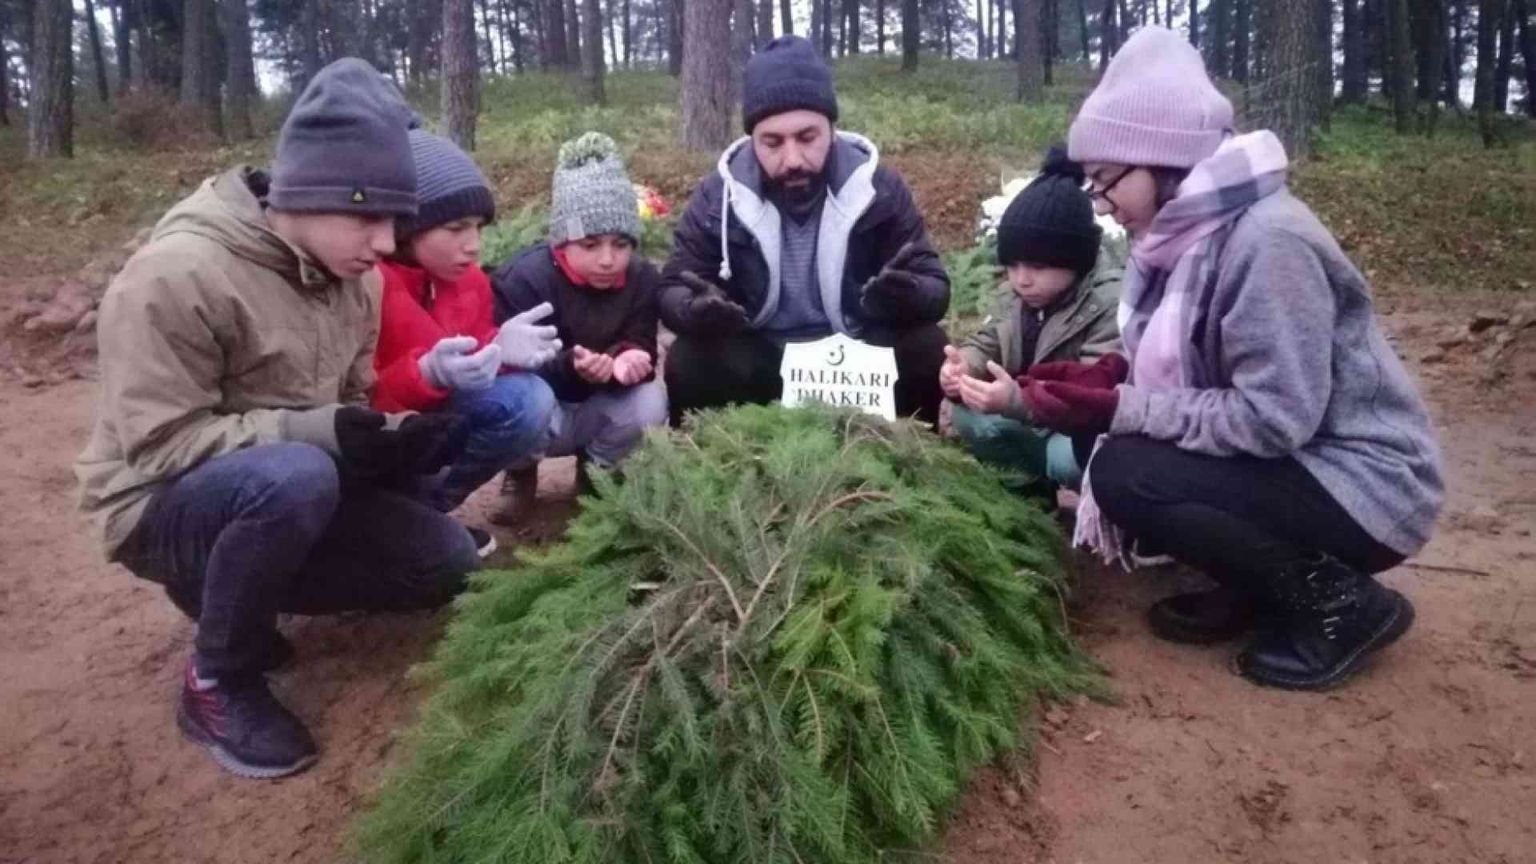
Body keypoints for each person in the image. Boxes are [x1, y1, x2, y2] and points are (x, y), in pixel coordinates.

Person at [75, 59, 479, 779]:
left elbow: (345, 408)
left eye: (395, 221)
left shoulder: (354, 282)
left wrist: (388, 443)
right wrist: (315, 437)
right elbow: (158, 445)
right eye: (368, 216)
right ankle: (216, 681)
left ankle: (223, 593)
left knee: (443, 559)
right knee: (293, 478)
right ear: (307, 193)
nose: (387, 243)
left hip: (280, 482)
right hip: (156, 505)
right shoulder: (177, 275)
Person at [1024, 27, 1443, 690]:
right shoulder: (1180, 235)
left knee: (1130, 472)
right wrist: (1105, 378)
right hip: (1300, 465)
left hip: (1364, 485)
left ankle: (1339, 604)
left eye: (1106, 184)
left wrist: (1123, 406)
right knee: (1112, 446)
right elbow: (1186, 363)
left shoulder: (1267, 243)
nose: (1103, 207)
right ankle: (1256, 588)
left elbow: (1276, 418)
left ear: (1160, 159)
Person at [660, 35, 950, 427]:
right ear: (752, 139)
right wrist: (693, 311)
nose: (792, 159)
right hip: (763, 355)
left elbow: (935, 286)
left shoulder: (878, 188)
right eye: (773, 143)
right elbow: (672, 288)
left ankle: (913, 466)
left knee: (926, 346)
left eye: (807, 137)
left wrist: (909, 295)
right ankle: (713, 470)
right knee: (690, 360)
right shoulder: (718, 196)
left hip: (855, 354)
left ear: (831, 127)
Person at [371, 127, 559, 518]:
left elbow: (472, 354)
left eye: (477, 227)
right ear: (406, 228)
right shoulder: (367, 284)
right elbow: (352, 401)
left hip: (434, 417)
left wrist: (499, 349)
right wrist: (426, 375)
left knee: (529, 399)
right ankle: (382, 522)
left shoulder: (468, 279)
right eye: (455, 228)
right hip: (377, 431)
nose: (473, 245)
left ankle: (426, 514)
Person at [489, 133, 668, 522]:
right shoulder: (523, 279)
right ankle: (520, 473)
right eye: (590, 245)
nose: (608, 260)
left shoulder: (642, 279)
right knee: (515, 399)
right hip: (544, 404)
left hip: (600, 400)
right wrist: (571, 365)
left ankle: (597, 472)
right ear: (562, 242)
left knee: (650, 401)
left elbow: (643, 341)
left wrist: (631, 359)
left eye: (620, 245)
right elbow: (508, 367)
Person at [941, 147, 1124, 496]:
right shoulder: (1016, 297)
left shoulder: (1106, 303)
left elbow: (1092, 396)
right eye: (1012, 266)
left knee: (1065, 460)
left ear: (1077, 260)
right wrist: (963, 365)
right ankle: (1028, 495)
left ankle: (1081, 497)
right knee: (965, 414)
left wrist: (1016, 401)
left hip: (1072, 430)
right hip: (1026, 416)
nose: (1022, 279)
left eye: (1038, 267)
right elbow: (988, 341)